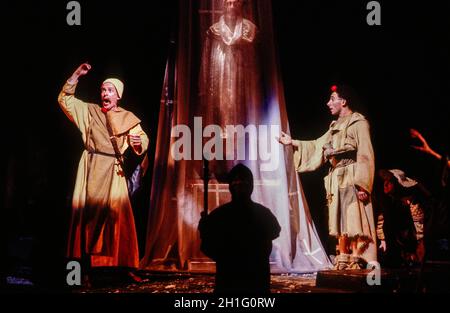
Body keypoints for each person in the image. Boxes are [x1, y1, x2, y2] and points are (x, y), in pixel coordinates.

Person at [58, 63, 149, 285]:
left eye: (109, 91)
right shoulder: (90, 112)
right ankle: (85, 269)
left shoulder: (128, 117)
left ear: (118, 96)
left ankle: (124, 266)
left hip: (113, 171)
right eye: (102, 90)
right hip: (90, 167)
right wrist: (76, 76)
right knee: (87, 217)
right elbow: (65, 100)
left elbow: (142, 138)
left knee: (118, 218)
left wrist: (138, 142)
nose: (104, 94)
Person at [278, 84, 377, 270]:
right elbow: (317, 145)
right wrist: (292, 142)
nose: (328, 103)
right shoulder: (333, 126)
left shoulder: (359, 123)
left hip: (352, 176)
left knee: (353, 218)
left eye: (332, 99)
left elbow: (366, 153)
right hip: (336, 178)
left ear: (344, 101)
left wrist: (364, 184)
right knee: (338, 219)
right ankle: (344, 255)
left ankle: (357, 257)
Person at [198, 164, 281, 294]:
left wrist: (205, 230)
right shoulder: (220, 215)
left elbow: (274, 232)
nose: (239, 184)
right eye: (236, 181)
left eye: (243, 181)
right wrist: (205, 229)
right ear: (231, 184)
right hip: (232, 280)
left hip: (253, 281)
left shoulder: (262, 213)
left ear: (250, 185)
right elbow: (208, 246)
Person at [375, 169, 425, 267]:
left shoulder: (410, 199)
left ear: (397, 184)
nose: (385, 185)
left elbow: (418, 221)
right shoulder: (386, 200)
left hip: (408, 236)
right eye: (385, 181)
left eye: (389, 182)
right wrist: (382, 239)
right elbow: (381, 218)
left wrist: (420, 241)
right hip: (393, 238)